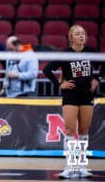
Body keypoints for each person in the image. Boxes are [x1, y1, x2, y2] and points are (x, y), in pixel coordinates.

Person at [43, 25, 101, 179]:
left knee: (84, 131)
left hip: (87, 95)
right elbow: (47, 70)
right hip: (70, 96)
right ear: (71, 37)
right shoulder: (65, 54)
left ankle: (81, 166)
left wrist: (97, 79)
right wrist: (59, 84)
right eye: (77, 34)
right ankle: (70, 166)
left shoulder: (91, 52)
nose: (81, 36)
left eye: (83, 33)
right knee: (70, 131)